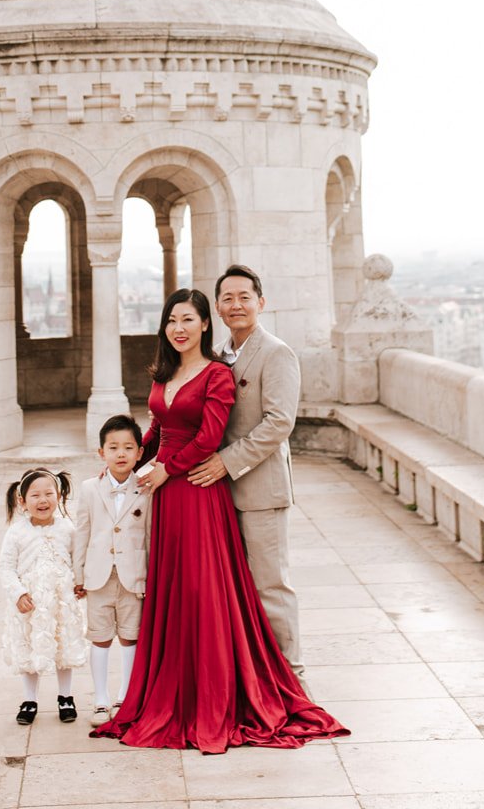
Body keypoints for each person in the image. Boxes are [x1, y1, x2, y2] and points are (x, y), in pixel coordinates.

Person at [92, 288, 349, 753]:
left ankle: (223, 691)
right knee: (173, 586)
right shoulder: (165, 373)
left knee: (205, 588)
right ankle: (175, 686)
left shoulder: (218, 374)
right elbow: (158, 429)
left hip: (196, 490)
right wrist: (128, 461)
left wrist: (167, 469)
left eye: (189, 319)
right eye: (172, 320)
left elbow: (210, 437)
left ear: (205, 325)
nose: (179, 328)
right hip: (167, 496)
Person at [188, 264, 306, 681]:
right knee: (233, 588)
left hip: (260, 489)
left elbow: (278, 423)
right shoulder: (218, 356)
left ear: (261, 302)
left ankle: (292, 676)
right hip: (217, 493)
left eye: (244, 297)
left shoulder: (276, 352)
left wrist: (226, 461)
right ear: (217, 308)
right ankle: (252, 674)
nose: (236, 305)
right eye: (227, 298)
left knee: (270, 586)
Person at [72, 413, 151, 723]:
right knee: (100, 636)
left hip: (134, 578)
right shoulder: (90, 488)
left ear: (140, 452)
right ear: (101, 452)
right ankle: (101, 700)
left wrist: (150, 577)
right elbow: (82, 533)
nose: (121, 454)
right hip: (98, 576)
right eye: (114, 447)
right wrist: (79, 576)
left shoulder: (146, 489)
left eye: (129, 447)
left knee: (131, 636)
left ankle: (125, 697)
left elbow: (149, 535)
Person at [0, 466, 88, 725]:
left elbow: (77, 559)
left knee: (63, 645)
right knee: (29, 646)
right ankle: (29, 699)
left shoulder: (67, 529)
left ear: (58, 497)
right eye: (35, 495)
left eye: (49, 493)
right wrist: (18, 593)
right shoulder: (16, 532)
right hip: (31, 604)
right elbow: (5, 566)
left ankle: (66, 696)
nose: (43, 500)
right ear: (22, 501)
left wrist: (80, 583)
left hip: (61, 602)